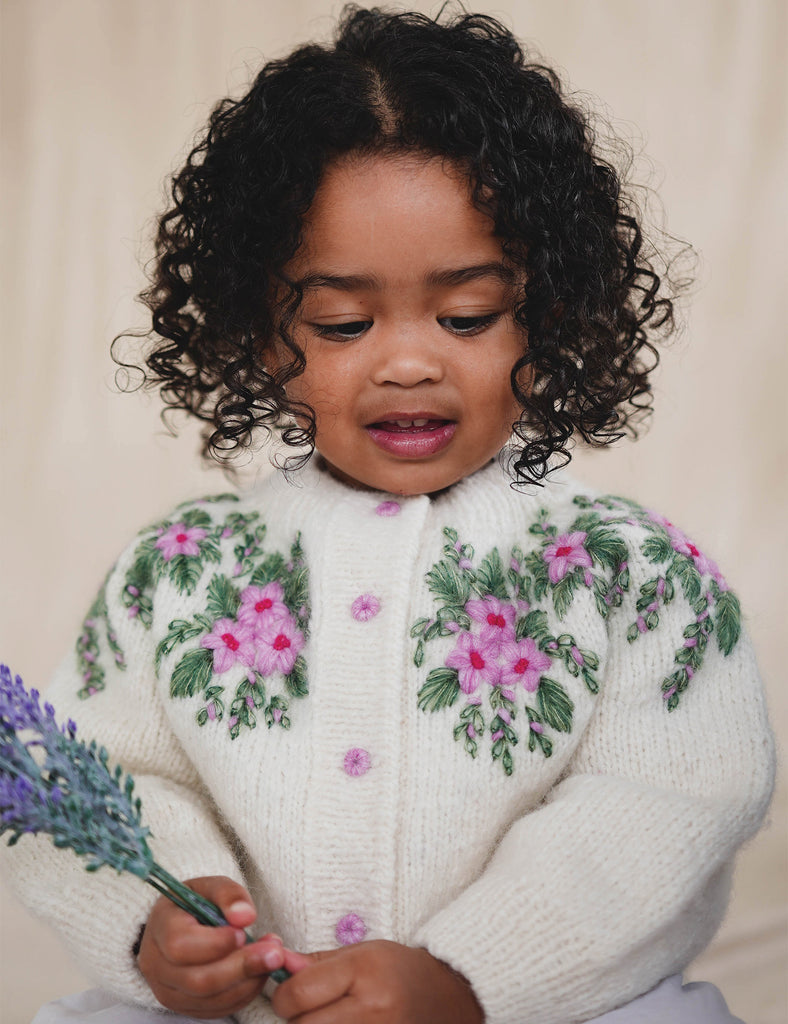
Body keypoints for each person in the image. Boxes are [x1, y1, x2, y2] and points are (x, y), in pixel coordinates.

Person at [2, 6, 774, 1024]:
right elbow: (90, 778)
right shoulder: (181, 568)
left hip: (554, 1008)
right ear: (256, 328)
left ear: (550, 306)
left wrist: (467, 975)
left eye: (465, 315)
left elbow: (666, 804)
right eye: (341, 321)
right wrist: (155, 918)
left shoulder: (628, 571)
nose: (407, 360)